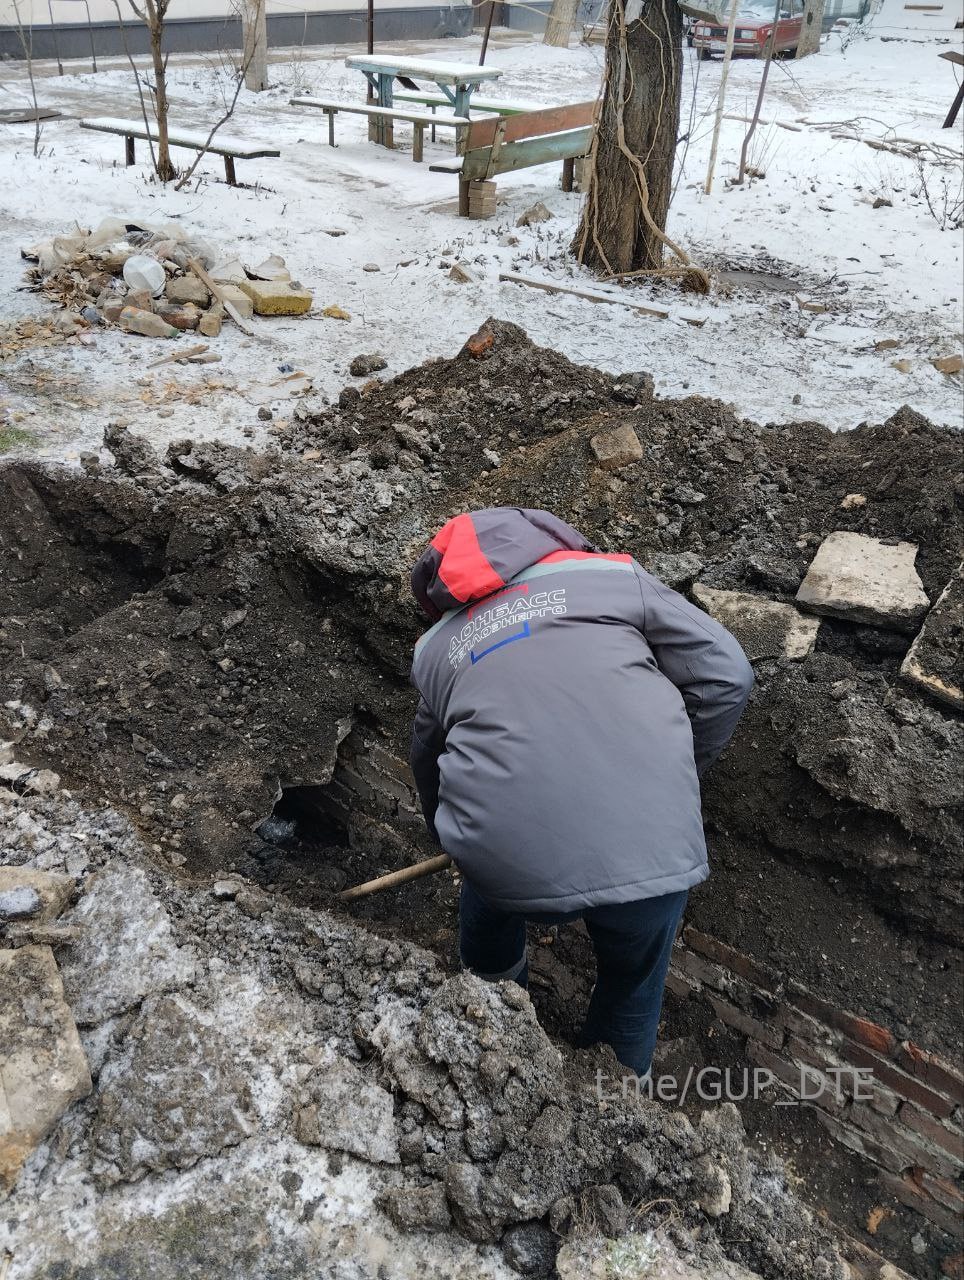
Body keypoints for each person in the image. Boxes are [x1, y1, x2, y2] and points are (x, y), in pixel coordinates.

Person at [408, 507, 753, 1077]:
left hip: (507, 858)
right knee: (633, 986)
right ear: (550, 542)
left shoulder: (436, 649)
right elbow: (728, 675)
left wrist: (453, 840)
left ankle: (496, 1049)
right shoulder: (614, 579)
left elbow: (427, 756)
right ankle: (619, 1120)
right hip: (652, 843)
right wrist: (674, 768)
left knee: (486, 911)